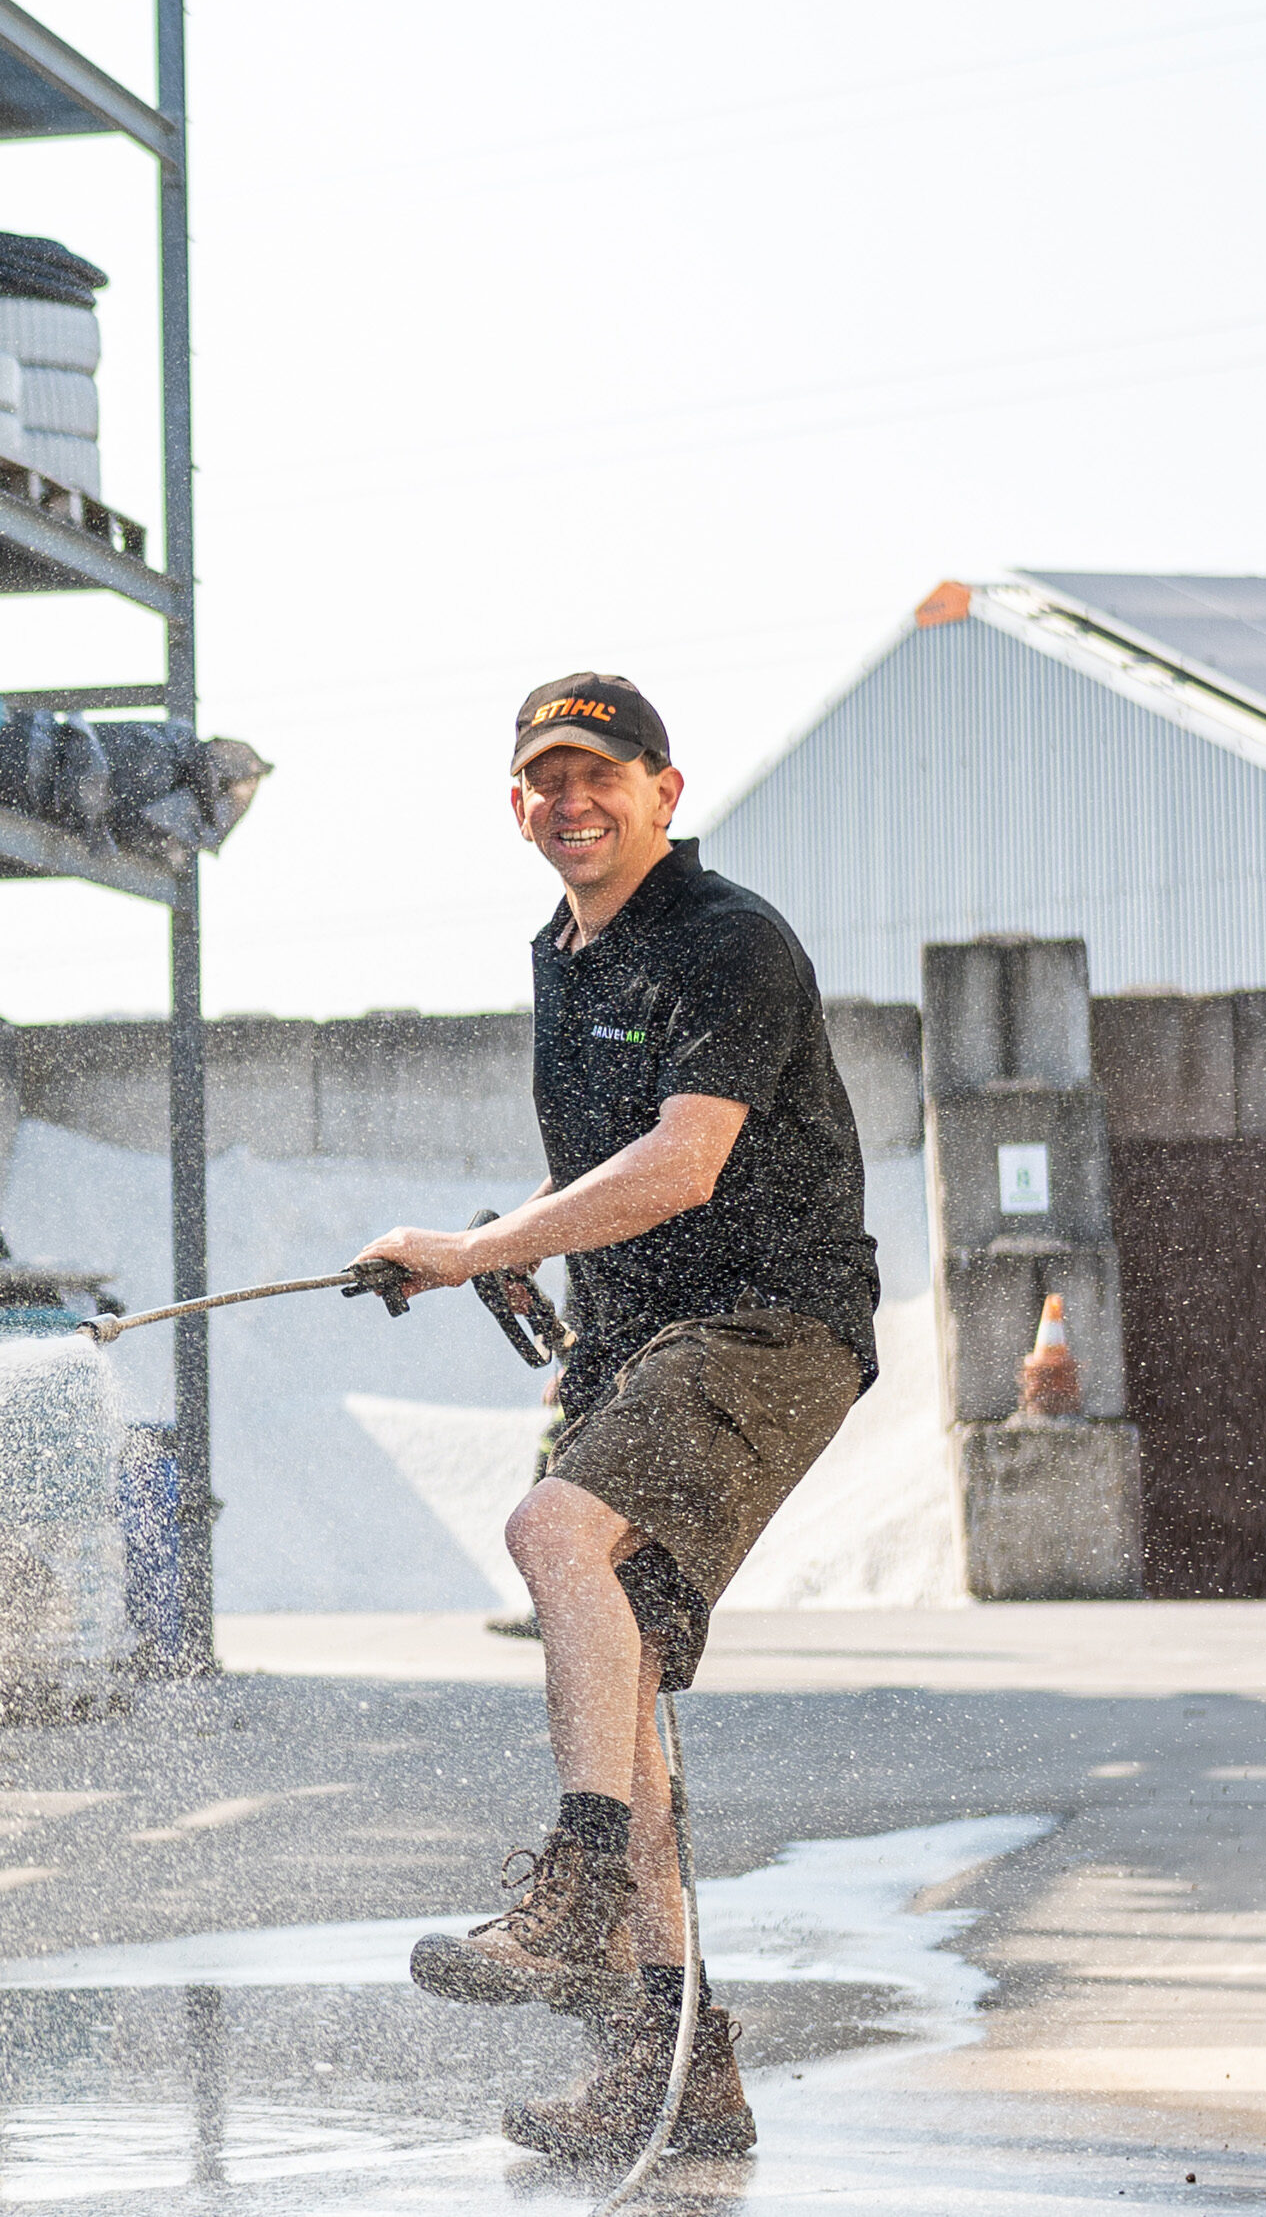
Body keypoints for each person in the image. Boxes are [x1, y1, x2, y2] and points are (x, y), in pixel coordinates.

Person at [353, 673, 879, 2163]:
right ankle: (677, 2068)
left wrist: (482, 1245)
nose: (572, 801)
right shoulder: (565, 956)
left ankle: (579, 1888)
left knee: (549, 1530)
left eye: (602, 775)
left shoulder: (729, 943)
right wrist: (567, 1325)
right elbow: (611, 1200)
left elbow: (685, 1161)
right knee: (621, 1705)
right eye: (546, 779)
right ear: (518, 805)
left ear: (666, 789)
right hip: (645, 1343)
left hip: (776, 1321)